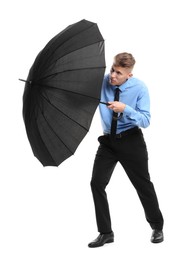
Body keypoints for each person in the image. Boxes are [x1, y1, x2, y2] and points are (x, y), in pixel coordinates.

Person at [88, 52, 164, 248]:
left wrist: (126, 109)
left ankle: (157, 227)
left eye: (119, 73)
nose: (112, 75)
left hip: (131, 141)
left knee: (143, 184)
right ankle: (105, 233)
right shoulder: (103, 82)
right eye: (113, 70)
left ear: (129, 75)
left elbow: (146, 120)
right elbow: (82, 92)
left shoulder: (139, 88)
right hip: (108, 142)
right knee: (97, 183)